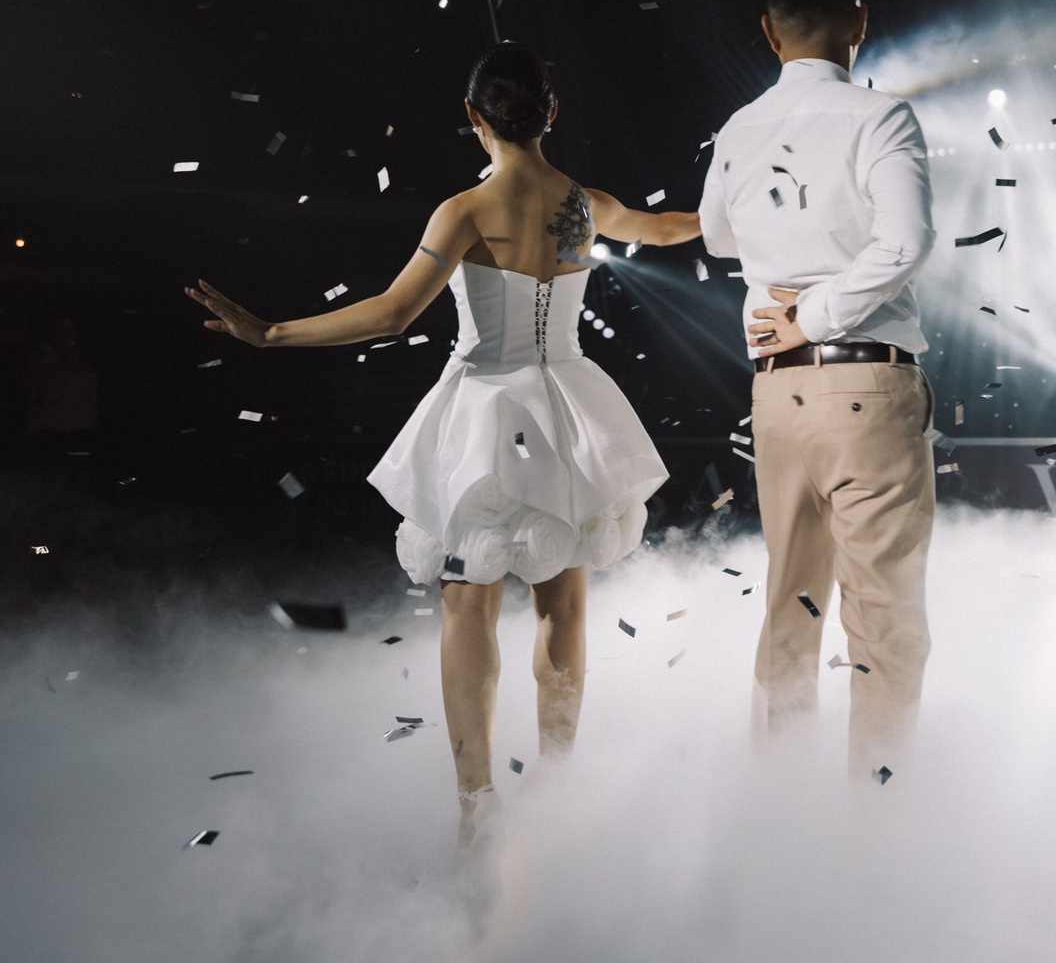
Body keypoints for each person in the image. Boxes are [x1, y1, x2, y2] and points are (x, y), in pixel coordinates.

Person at [189, 42, 700, 848]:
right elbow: (668, 228)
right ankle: (558, 792)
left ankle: (477, 806)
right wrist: (743, 210)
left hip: (485, 413)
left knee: (469, 604)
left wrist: (272, 332)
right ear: (552, 113)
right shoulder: (585, 205)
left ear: (472, 116)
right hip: (569, 410)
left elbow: (393, 314)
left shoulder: (464, 210)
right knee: (563, 604)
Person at [698, 0, 938, 779]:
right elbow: (905, 241)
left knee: (789, 607)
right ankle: (879, 812)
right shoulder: (880, 117)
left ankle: (780, 808)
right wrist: (814, 314)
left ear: (769, 33)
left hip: (776, 396)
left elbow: (718, 236)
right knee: (884, 618)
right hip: (865, 383)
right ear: (860, 22)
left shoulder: (738, 129)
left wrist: (790, 292)